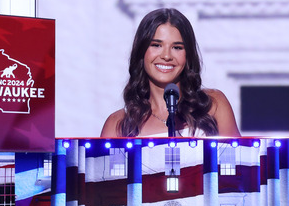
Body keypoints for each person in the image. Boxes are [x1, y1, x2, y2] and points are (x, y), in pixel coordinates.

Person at [100, 8, 240, 138]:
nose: (166, 56)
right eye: (156, 45)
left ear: (188, 55)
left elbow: (241, 161)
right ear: (142, 51)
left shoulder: (213, 105)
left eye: (177, 47)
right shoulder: (117, 124)